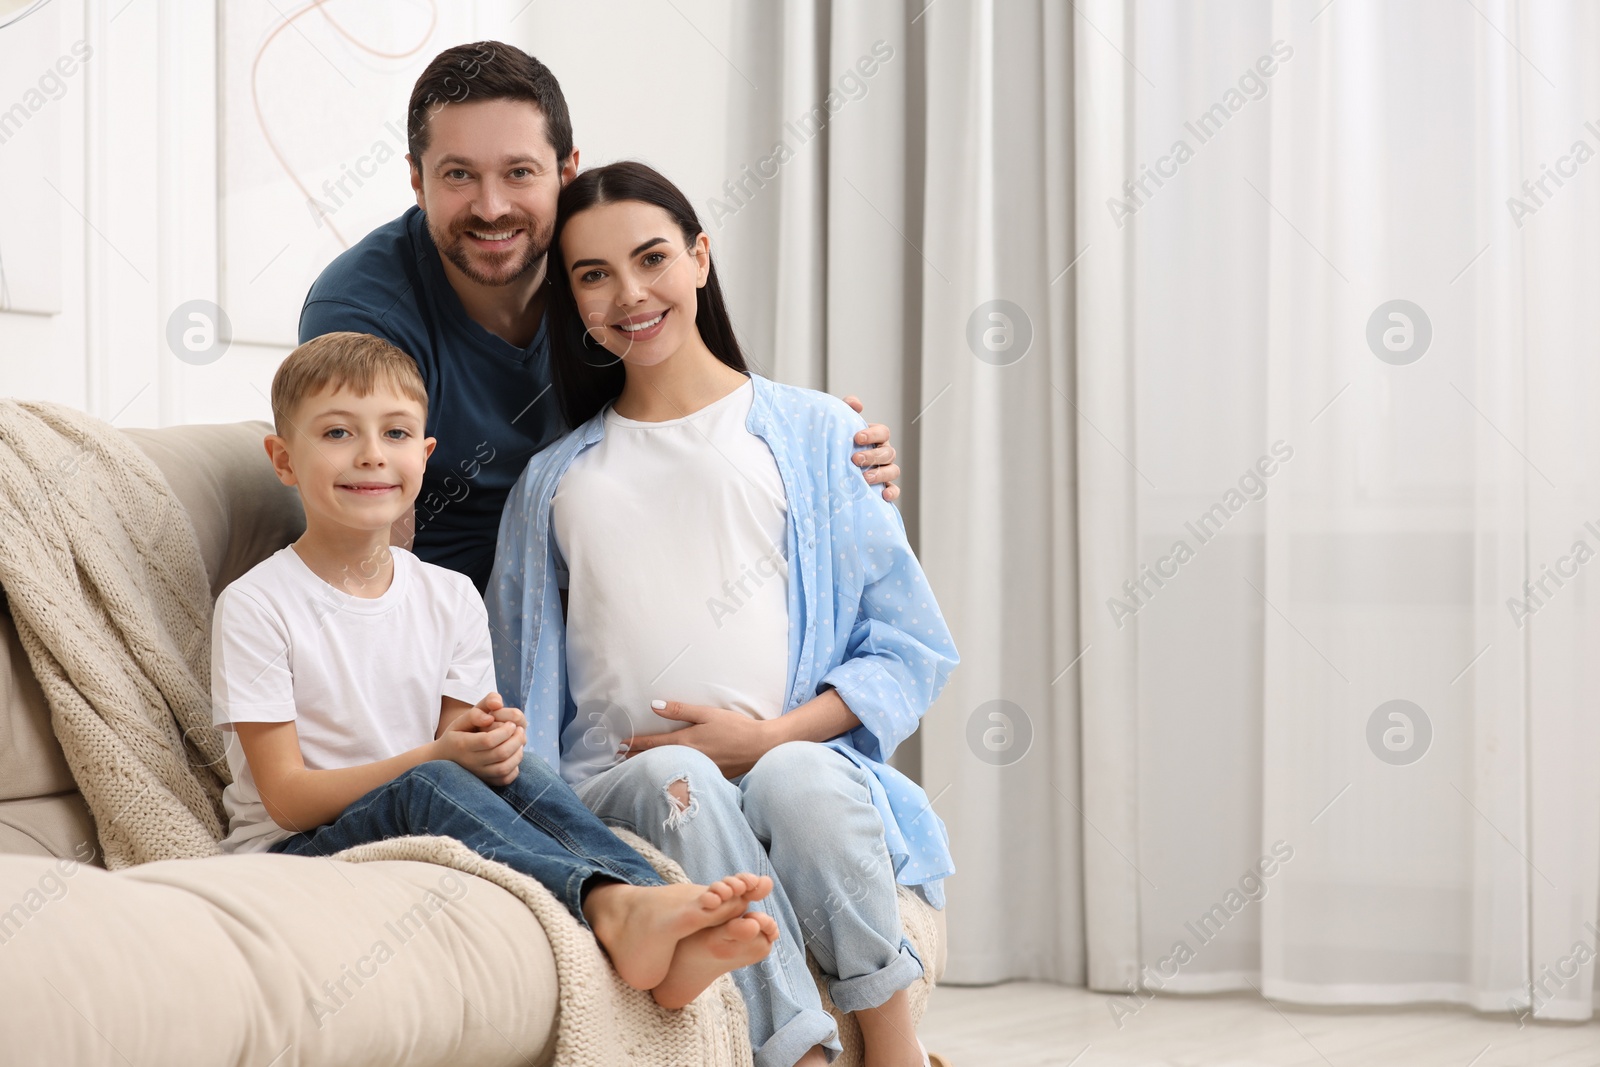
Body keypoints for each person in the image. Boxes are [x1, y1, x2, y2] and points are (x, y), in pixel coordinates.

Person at [487, 162, 959, 1067]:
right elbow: (515, 680)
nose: (629, 293)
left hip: (792, 754)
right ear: (573, 302)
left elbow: (905, 644)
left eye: (652, 257)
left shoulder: (821, 434)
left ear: (700, 258)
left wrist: (772, 735)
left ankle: (897, 1049)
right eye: (593, 275)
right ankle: (804, 1056)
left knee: (802, 778)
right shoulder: (553, 482)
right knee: (684, 780)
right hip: (621, 786)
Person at [211, 330, 777, 1009]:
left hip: (420, 807)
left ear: (423, 456)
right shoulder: (256, 605)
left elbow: (464, 763)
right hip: (292, 852)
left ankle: (653, 915)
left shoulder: (448, 597)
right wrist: (438, 758)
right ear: (284, 460)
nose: (370, 454)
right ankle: (610, 905)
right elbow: (286, 797)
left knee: (522, 769)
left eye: (395, 433)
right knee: (430, 779)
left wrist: (488, 742)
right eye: (337, 432)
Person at [299, 41, 902, 594]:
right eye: (458, 175)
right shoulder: (360, 310)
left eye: (519, 172)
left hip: (614, 588)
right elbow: (370, 531)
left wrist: (815, 451)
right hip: (448, 623)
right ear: (416, 180)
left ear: (566, 171)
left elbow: (692, 405)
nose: (491, 206)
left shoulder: (601, 270)